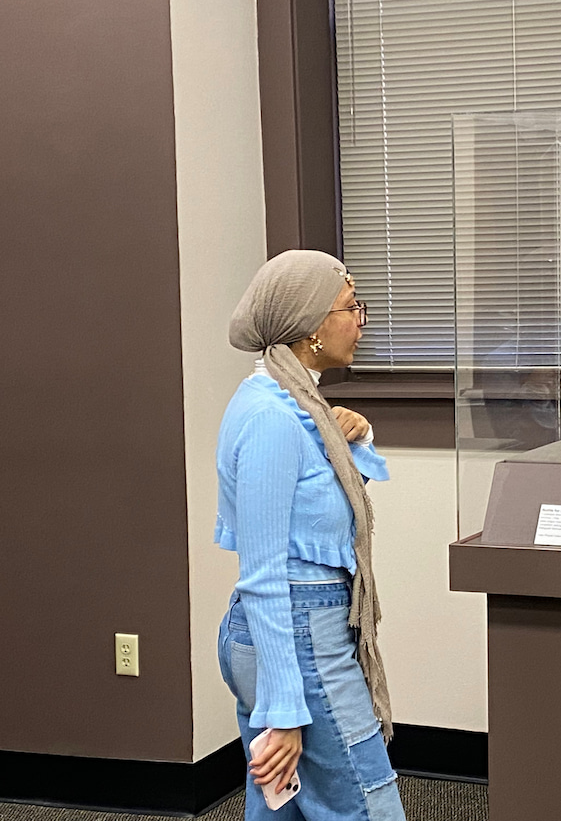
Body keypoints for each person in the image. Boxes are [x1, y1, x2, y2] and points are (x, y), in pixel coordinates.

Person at [215, 250, 406, 820]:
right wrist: (286, 707)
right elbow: (265, 572)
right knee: (371, 806)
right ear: (312, 328)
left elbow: (326, 494)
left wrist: (360, 430)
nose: (360, 319)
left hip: (290, 632)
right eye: (351, 307)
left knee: (280, 809)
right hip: (299, 637)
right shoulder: (273, 418)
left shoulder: (293, 403)